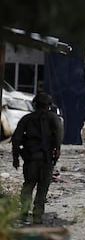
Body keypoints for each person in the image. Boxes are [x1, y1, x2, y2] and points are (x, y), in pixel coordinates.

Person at [11, 92, 62, 224]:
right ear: (48, 105)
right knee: (42, 188)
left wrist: (15, 157)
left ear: (35, 104)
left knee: (28, 185)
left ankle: (24, 212)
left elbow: (16, 138)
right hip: (46, 160)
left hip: (30, 160)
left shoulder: (26, 119)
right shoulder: (53, 118)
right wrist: (57, 149)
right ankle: (37, 216)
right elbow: (58, 134)